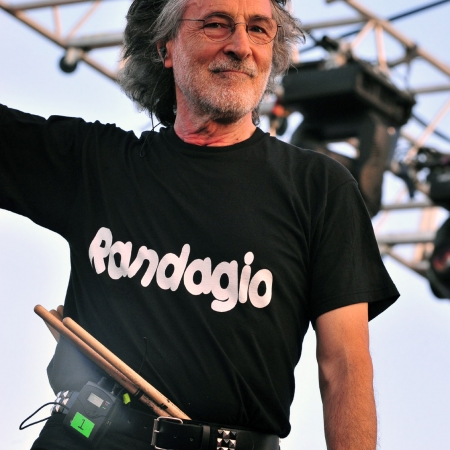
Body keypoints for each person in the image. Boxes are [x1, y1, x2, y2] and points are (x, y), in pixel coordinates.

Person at [0, 0, 399, 449]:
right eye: (216, 24)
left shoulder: (320, 189)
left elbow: (344, 365)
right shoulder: (97, 164)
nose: (241, 46)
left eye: (259, 29)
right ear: (165, 47)